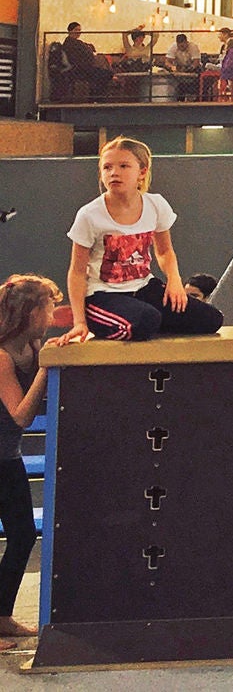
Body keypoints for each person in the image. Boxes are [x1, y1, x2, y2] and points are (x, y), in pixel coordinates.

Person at [63, 137, 223, 343]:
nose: (114, 173)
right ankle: (111, 321)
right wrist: (80, 322)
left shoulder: (155, 204)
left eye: (123, 166)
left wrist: (174, 281)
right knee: (146, 320)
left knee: (210, 319)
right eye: (107, 167)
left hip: (143, 288)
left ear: (142, 172)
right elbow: (76, 272)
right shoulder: (90, 215)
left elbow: (164, 252)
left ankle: (144, 321)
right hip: (104, 295)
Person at [0, 273, 58, 651]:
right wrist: (46, 366)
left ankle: (2, 617)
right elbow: (21, 415)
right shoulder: (3, 356)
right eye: (50, 305)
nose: (54, 312)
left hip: (8, 455)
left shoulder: (33, 345)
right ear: (32, 311)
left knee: (23, 534)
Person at [58, 22, 112, 97]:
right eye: (76, 30)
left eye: (80, 30)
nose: (78, 32)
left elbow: (88, 49)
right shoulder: (71, 43)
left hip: (83, 67)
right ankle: (96, 96)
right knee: (106, 74)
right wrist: (88, 49)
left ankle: (96, 96)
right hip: (79, 69)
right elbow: (86, 52)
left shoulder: (75, 42)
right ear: (70, 31)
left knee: (103, 71)